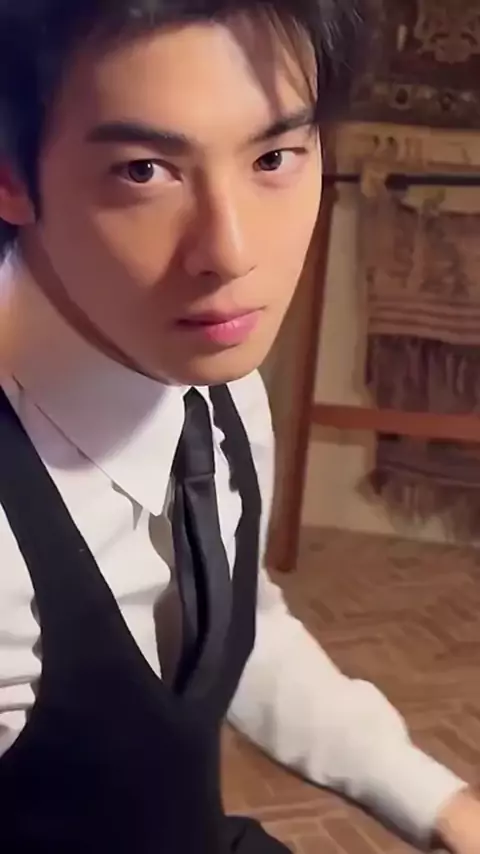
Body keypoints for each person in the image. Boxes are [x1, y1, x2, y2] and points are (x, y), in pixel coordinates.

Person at [0, 1, 478, 851]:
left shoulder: (218, 389)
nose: (231, 251)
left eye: (274, 157)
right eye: (144, 171)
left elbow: (236, 623)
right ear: (9, 173)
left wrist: (440, 803)